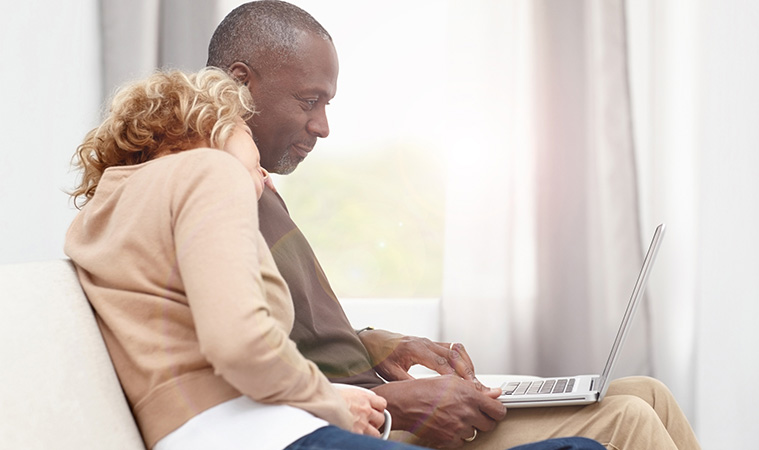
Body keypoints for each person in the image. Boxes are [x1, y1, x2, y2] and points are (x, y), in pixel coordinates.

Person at [206, 1, 702, 449]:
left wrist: (379, 342)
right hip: (365, 423)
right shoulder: (201, 191)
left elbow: (292, 330)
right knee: (629, 418)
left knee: (649, 394)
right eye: (308, 101)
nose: (323, 126)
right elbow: (227, 369)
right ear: (241, 81)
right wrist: (402, 404)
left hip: (374, 395)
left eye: (327, 105)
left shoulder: (251, 181)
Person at [64, 67, 606, 450]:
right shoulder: (209, 170)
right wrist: (327, 399)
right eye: (253, 162)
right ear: (205, 134)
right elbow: (238, 342)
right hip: (265, 436)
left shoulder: (99, 220)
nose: (262, 180)